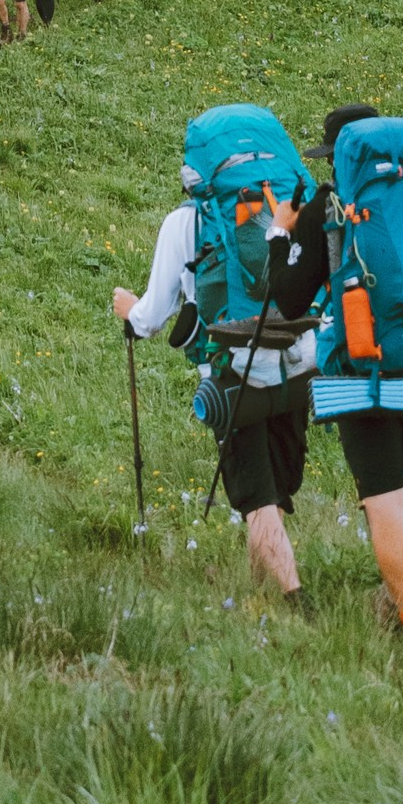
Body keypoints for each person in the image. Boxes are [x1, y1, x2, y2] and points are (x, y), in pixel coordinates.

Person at [110, 109, 329, 610]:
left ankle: (296, 603)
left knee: (257, 498)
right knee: (277, 482)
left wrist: (129, 310)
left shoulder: (186, 222)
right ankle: (262, 588)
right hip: (299, 362)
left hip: (235, 376)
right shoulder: (292, 206)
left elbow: (150, 317)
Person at [307, 101, 403, 674]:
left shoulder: (329, 206)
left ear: (343, 154)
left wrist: (283, 244)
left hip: (364, 364)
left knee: (382, 496)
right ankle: (397, 591)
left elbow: (294, 295)